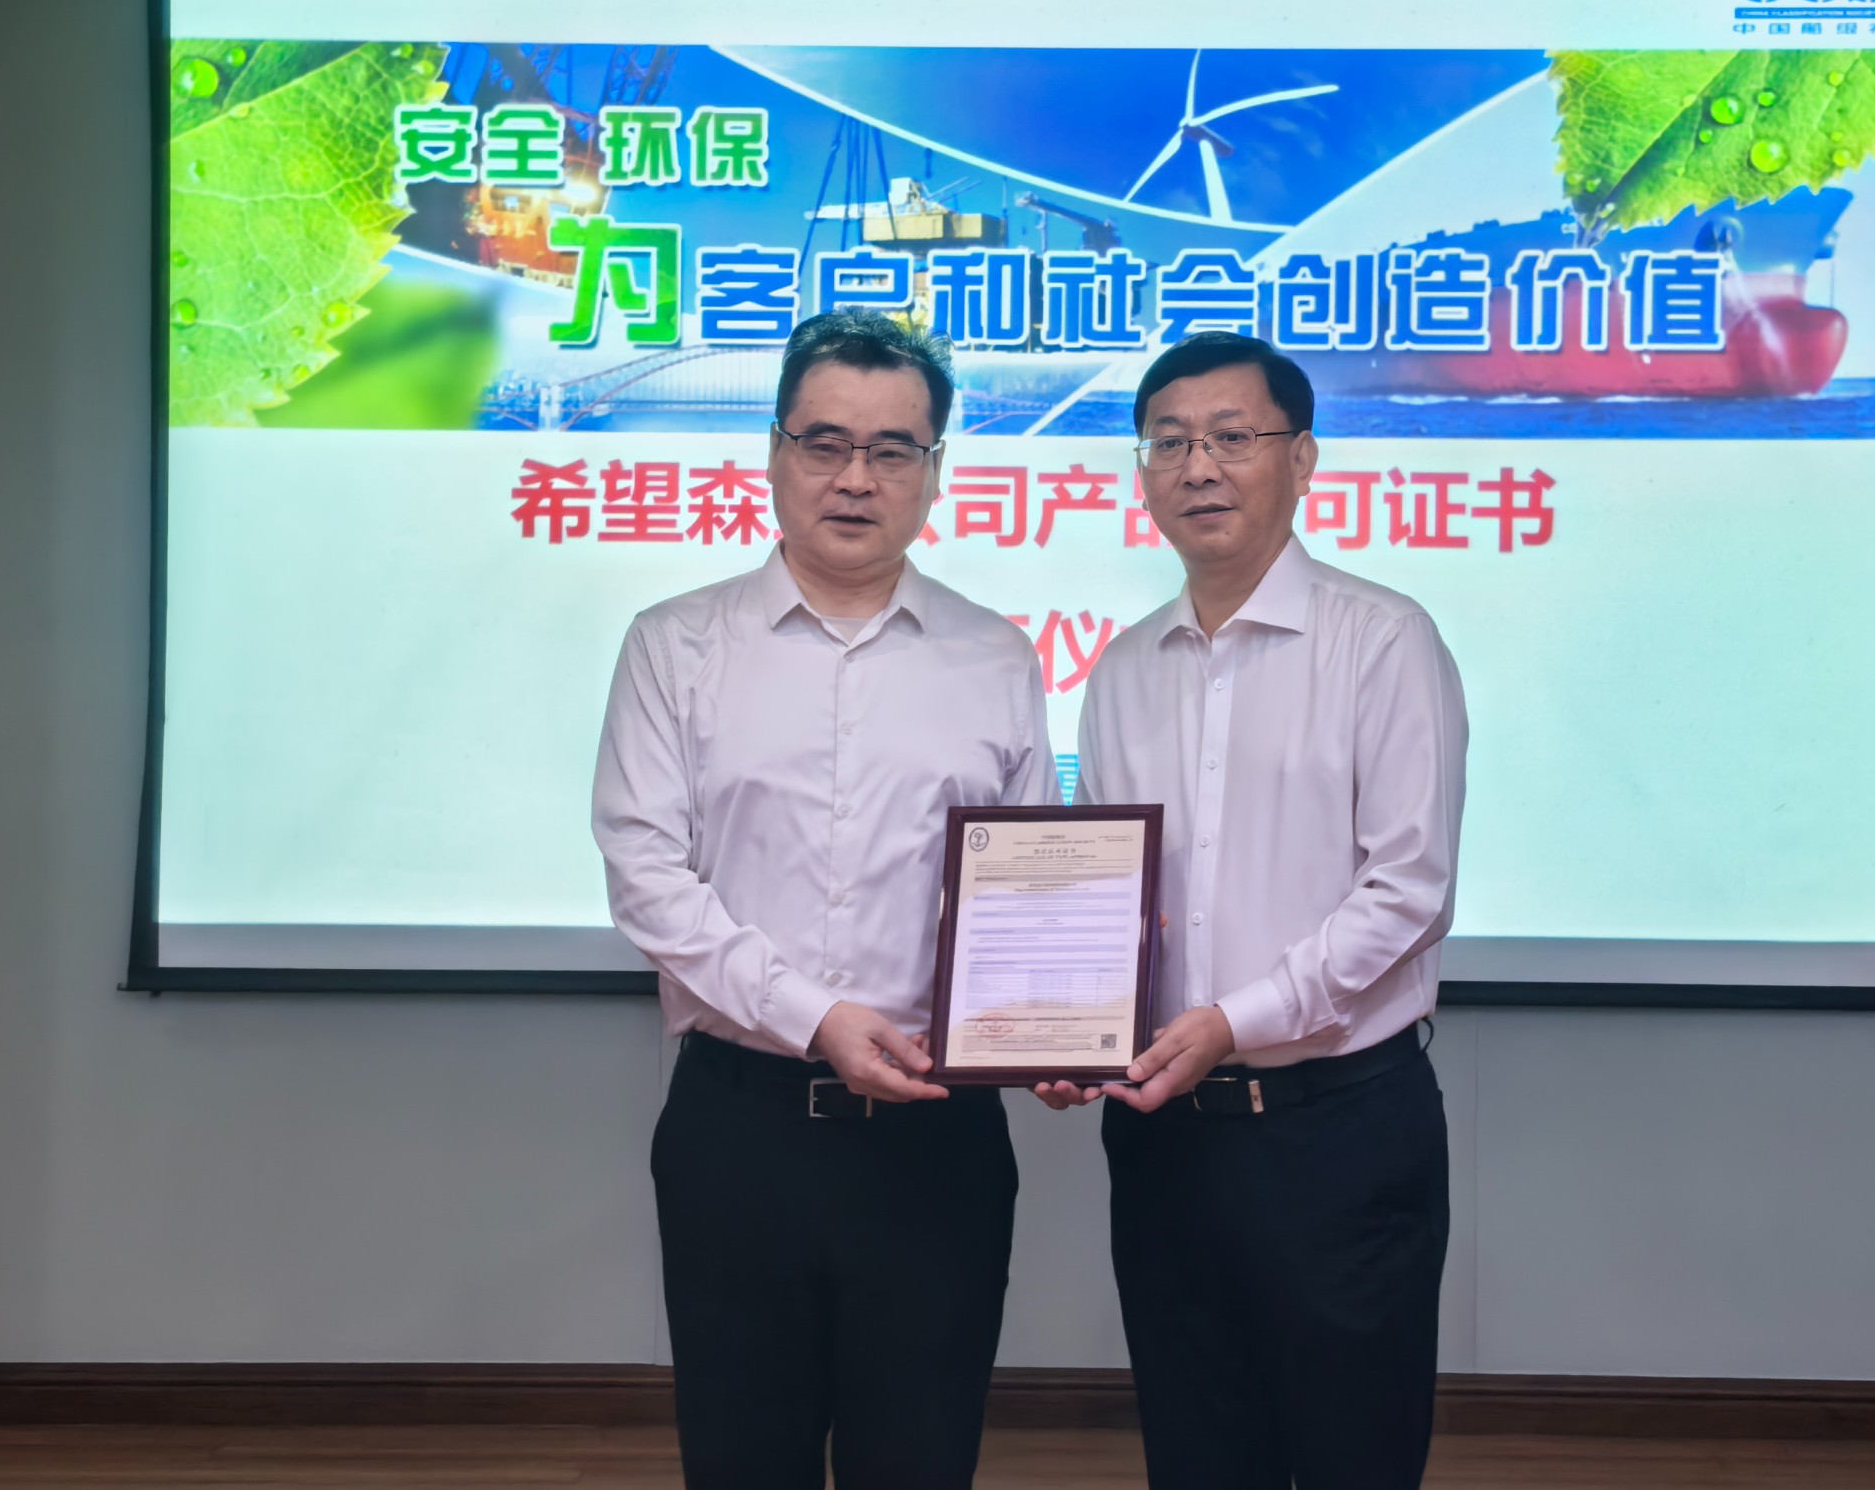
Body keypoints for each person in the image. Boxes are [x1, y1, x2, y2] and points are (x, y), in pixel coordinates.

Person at [593, 311, 1056, 1490]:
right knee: (744, 1459)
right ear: (773, 451)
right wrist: (814, 1018)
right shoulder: (675, 646)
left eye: (893, 450)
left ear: (934, 471)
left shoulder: (996, 657)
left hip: (937, 1138)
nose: (857, 478)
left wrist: (1054, 1024)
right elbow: (647, 875)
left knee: (922, 1458)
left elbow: (1030, 888)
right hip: (739, 1127)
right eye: (825, 443)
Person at [1038, 329, 1467, 1490]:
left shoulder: (1383, 642)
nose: (1198, 467)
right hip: (1165, 1138)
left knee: (1350, 1454)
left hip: (1337, 1131)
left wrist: (1233, 1020)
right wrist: (1069, 1026)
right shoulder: (1122, 669)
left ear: (1302, 457)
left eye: (1231, 437)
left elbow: (1408, 889)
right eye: (1168, 442)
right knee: (1195, 1448)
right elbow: (1106, 897)